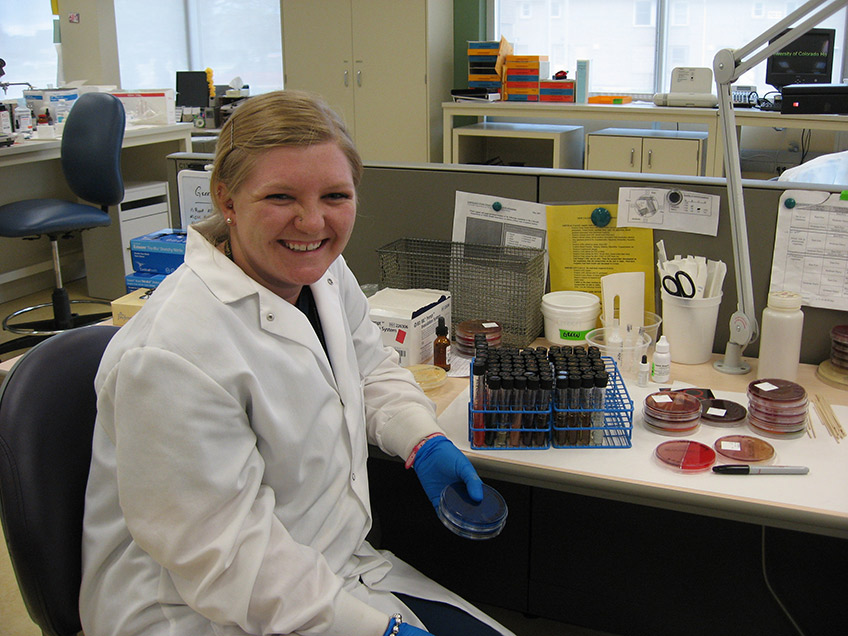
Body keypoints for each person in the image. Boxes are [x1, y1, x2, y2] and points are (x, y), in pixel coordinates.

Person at [79, 90, 514, 636]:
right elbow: (228, 556)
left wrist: (420, 439)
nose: (312, 223)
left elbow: (369, 367)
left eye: (335, 194)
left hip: (328, 569)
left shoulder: (322, 273)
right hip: (198, 611)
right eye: (281, 196)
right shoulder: (172, 354)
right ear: (227, 200)